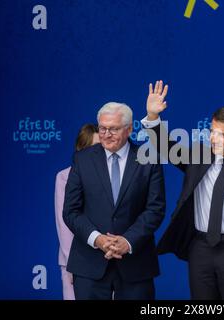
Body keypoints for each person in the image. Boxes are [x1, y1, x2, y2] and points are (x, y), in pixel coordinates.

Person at [141, 80, 224, 300]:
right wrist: (153, 118)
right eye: (213, 132)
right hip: (200, 249)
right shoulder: (199, 156)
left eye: (222, 135)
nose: (214, 139)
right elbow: (166, 148)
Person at [63, 102, 166, 300]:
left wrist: (128, 241)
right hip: (89, 264)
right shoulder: (82, 160)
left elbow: (155, 209)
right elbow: (71, 211)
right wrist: (97, 239)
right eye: (102, 128)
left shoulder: (149, 159)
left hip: (136, 264)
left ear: (129, 129)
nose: (106, 134)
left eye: (113, 129)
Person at [54, 123, 99, 300]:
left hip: (108, 263)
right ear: (82, 149)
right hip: (75, 261)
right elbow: (64, 223)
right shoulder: (65, 176)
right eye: (95, 147)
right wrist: (72, 263)